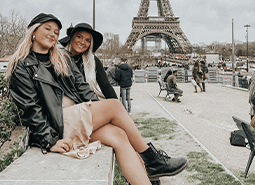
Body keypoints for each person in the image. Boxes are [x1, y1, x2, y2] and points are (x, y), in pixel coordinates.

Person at [7, 13, 188, 184]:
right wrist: (50, 141)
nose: (53, 34)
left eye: (56, 32)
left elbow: (84, 90)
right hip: (57, 124)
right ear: (33, 31)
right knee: (115, 106)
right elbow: (31, 108)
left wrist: (104, 115)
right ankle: (152, 159)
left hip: (76, 119)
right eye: (47, 29)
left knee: (119, 135)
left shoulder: (63, 59)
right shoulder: (22, 65)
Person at [59, 23, 117, 99]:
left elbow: (106, 86)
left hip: (87, 103)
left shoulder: (94, 61)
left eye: (87, 40)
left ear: (90, 44)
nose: (82, 42)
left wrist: (117, 106)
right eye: (79, 37)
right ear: (71, 37)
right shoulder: (57, 57)